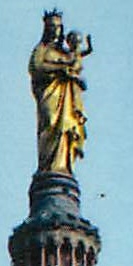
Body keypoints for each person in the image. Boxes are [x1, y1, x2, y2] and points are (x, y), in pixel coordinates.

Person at [28, 11, 92, 175]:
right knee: (50, 123)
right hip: (50, 94)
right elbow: (37, 67)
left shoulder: (64, 52)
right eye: (51, 27)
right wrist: (61, 69)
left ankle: (63, 165)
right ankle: (48, 167)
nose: (54, 30)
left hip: (67, 98)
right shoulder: (41, 50)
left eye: (57, 27)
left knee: (66, 128)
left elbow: (75, 64)